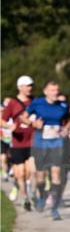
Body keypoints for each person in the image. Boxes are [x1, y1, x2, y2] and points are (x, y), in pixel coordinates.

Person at [27, 80, 70, 220]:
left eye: (57, 90)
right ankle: (42, 196)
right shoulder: (37, 103)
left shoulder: (63, 105)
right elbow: (23, 117)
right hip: (40, 143)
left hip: (57, 143)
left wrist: (66, 129)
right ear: (45, 91)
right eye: (52, 90)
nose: (55, 93)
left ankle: (55, 208)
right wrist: (33, 123)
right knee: (41, 176)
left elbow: (69, 120)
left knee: (56, 174)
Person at [2, 75, 35, 210]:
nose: (30, 88)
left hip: (33, 141)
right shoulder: (12, 103)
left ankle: (31, 191)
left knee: (32, 170)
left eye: (31, 85)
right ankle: (24, 197)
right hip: (18, 142)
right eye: (27, 85)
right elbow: (2, 120)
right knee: (20, 173)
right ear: (19, 87)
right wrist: (9, 127)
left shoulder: (36, 101)